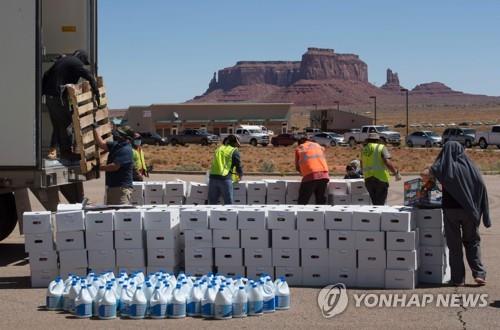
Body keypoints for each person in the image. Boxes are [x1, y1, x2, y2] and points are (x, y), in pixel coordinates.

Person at [424, 141, 491, 286]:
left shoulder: (443, 166)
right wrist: (481, 209)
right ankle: (479, 274)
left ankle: (457, 279)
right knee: (472, 242)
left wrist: (432, 169)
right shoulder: (470, 166)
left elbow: (425, 174)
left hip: (450, 211)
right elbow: (481, 185)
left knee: (454, 245)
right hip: (469, 211)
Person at [42, 49, 100, 160]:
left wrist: (43, 91)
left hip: (49, 97)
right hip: (58, 97)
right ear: (82, 58)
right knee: (67, 123)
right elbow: (90, 77)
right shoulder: (76, 63)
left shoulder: (63, 61)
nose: (83, 64)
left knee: (58, 124)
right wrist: (96, 93)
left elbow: (46, 74)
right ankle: (66, 152)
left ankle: (54, 150)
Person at [92, 125, 134, 205]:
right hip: (112, 187)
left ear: (126, 137)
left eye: (120, 134)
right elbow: (101, 144)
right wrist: (95, 129)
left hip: (121, 189)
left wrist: (98, 168)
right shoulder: (116, 145)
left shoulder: (126, 150)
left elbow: (114, 166)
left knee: (120, 213)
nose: (117, 134)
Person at [361, 133, 401, 205]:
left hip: (368, 179)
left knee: (375, 203)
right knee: (380, 204)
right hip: (380, 179)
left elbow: (361, 163)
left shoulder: (364, 149)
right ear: (377, 140)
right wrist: (395, 173)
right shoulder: (381, 147)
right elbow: (387, 162)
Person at [208, 135, 243, 204]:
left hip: (213, 178)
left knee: (212, 204)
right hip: (225, 179)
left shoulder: (219, 149)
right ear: (236, 142)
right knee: (228, 204)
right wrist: (240, 175)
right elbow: (238, 166)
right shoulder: (234, 151)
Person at [295, 137, 329, 205]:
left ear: (300, 143)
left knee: (302, 201)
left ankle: (301, 215)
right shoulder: (317, 145)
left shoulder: (300, 148)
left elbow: (297, 167)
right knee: (320, 201)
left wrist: (303, 173)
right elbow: (322, 151)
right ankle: (321, 215)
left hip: (310, 176)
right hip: (324, 175)